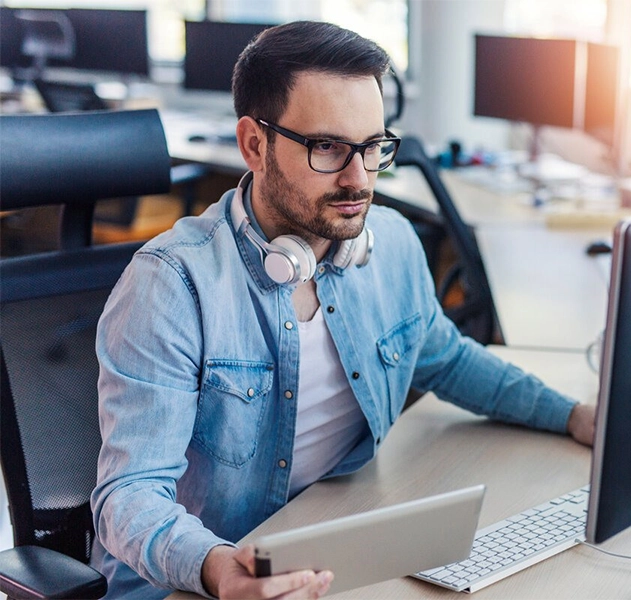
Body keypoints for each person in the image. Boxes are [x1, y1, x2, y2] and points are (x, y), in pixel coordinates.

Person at [90, 20, 596, 599]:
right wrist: (221, 569)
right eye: (327, 147)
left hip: (324, 540)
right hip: (189, 582)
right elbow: (127, 497)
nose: (359, 179)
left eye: (374, 147)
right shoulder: (172, 286)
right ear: (255, 145)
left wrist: (572, 415)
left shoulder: (393, 245)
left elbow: (448, 360)